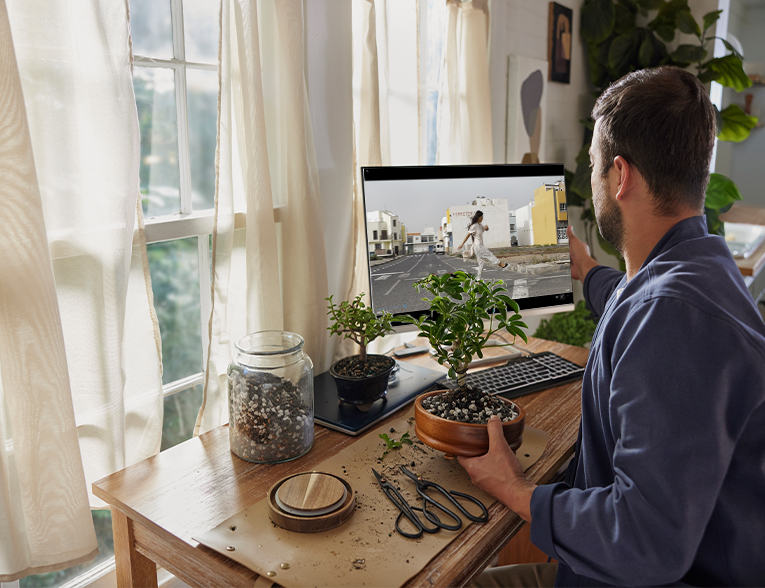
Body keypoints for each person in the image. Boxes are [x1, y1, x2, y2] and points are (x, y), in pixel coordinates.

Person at [459, 66, 765, 588]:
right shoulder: (699, 268)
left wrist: (513, 488)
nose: (596, 180)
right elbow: (638, 301)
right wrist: (587, 270)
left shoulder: (673, 319)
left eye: (596, 167)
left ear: (620, 176)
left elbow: (644, 540)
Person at [457, 210, 510, 279]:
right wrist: (461, 244)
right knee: (490, 254)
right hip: (478, 246)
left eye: (482, 217)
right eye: (481, 217)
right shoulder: (474, 226)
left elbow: (485, 229)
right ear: (478, 217)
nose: (482, 218)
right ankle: (502, 265)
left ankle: (478, 281)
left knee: (481, 264)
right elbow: (467, 235)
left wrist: (487, 227)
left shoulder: (480, 225)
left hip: (479, 246)